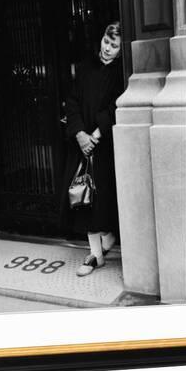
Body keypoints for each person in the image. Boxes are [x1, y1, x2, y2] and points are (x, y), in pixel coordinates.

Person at [60, 22, 124, 276]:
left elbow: (115, 107)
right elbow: (72, 102)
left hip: (104, 146)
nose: (107, 49)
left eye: (114, 45)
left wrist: (95, 136)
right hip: (82, 145)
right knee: (84, 199)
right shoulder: (85, 68)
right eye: (106, 42)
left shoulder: (121, 74)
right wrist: (79, 135)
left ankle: (107, 238)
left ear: (121, 49)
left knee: (102, 200)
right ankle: (95, 255)